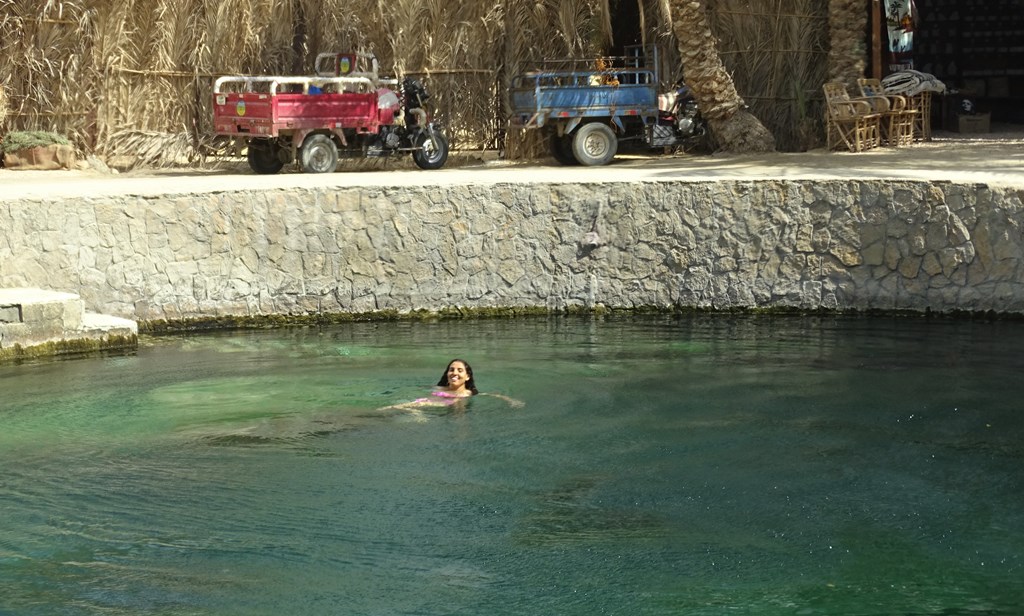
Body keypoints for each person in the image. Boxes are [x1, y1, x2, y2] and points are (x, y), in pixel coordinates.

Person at [380, 358, 523, 416]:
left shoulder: (469, 394)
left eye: (459, 370)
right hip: (423, 405)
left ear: (467, 376)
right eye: (451, 369)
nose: (454, 373)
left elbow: (493, 395)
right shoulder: (438, 389)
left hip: (438, 410)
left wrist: (511, 400)